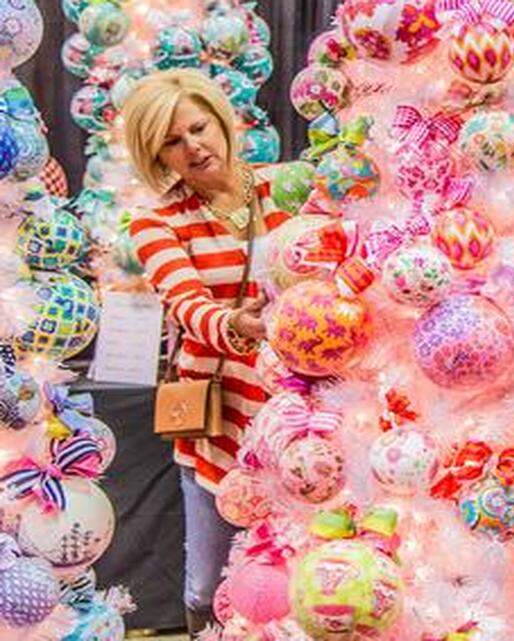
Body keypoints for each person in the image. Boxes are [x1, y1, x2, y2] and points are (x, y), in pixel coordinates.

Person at [122, 69, 294, 634]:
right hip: (221, 421)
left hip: (302, 411)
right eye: (172, 141)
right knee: (208, 580)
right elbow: (186, 303)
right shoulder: (157, 222)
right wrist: (239, 325)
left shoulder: (286, 187)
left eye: (198, 128)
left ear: (221, 120)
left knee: (297, 567)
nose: (193, 147)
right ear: (157, 155)